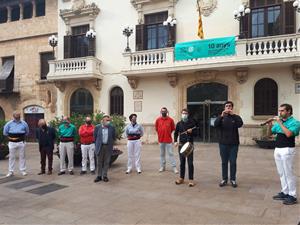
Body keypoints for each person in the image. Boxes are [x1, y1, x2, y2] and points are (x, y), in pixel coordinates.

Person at [271, 104, 300, 205]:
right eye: (279, 111)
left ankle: (293, 195)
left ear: (288, 111)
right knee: (281, 173)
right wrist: (270, 123)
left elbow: (288, 134)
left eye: (282, 111)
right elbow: (272, 131)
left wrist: (280, 123)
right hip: (278, 149)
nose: (280, 113)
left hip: (287, 150)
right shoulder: (281, 121)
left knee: (288, 173)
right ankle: (285, 192)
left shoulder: (295, 122)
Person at [214, 101, 243, 188]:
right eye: (226, 106)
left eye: (230, 106)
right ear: (224, 108)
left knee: (233, 162)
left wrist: (233, 115)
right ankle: (224, 179)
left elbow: (240, 124)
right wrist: (221, 116)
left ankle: (233, 179)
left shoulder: (236, 117)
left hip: (234, 144)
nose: (228, 108)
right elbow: (215, 124)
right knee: (224, 162)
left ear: (232, 108)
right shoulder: (221, 117)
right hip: (223, 144)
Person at [174, 108, 197, 187]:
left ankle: (191, 179)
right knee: (182, 163)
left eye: (185, 113)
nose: (184, 115)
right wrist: (175, 141)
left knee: (190, 163)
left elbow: (196, 133)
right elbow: (176, 133)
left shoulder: (192, 123)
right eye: (183, 113)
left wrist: (192, 131)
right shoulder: (179, 124)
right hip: (181, 145)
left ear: (188, 114)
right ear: (181, 114)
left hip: (189, 144)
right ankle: (181, 178)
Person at [3, 111, 29, 177]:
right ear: (13, 116)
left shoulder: (24, 123)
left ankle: (23, 170)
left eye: (18, 115)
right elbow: (5, 133)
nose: (17, 117)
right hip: (12, 143)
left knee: (22, 156)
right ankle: (11, 171)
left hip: (21, 142)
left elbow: (27, 132)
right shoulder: (9, 124)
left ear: (20, 116)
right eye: (16, 115)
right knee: (11, 157)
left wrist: (20, 137)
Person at [155, 107, 178, 174]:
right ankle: (162, 166)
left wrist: (167, 133)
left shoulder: (171, 120)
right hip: (161, 140)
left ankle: (174, 167)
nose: (163, 112)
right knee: (162, 154)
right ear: (160, 112)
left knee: (171, 154)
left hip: (168, 140)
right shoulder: (158, 120)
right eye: (162, 111)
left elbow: (173, 129)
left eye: (164, 111)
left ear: (167, 112)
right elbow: (156, 128)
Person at [94, 115, 115, 183]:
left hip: (108, 147)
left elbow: (113, 136)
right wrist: (97, 145)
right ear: (103, 121)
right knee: (99, 162)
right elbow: (95, 137)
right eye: (107, 120)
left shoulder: (112, 127)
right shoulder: (97, 127)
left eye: (109, 120)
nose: (108, 122)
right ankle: (99, 176)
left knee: (106, 162)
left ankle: (105, 175)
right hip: (100, 146)